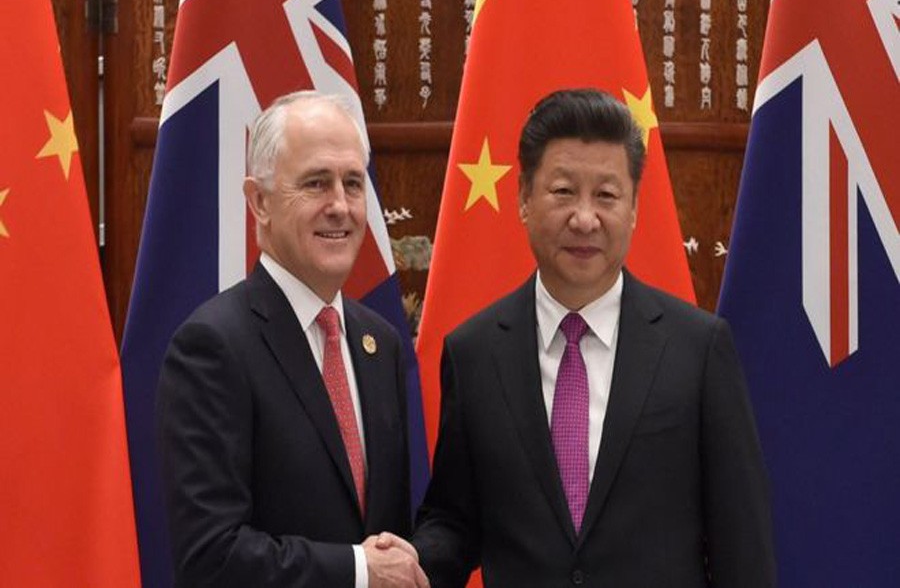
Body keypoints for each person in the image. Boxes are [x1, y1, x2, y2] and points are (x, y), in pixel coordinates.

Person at [410, 89, 776, 587]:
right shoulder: (474, 353)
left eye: (606, 195)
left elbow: (742, 547)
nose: (584, 218)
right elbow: (454, 519)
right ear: (523, 198)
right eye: (563, 192)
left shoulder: (697, 350)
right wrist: (405, 565)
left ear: (633, 208)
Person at [156, 91, 428, 588]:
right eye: (316, 184)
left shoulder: (380, 343)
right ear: (259, 201)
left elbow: (387, 535)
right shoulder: (212, 347)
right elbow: (210, 557)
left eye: (352, 183)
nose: (340, 207)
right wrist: (359, 571)